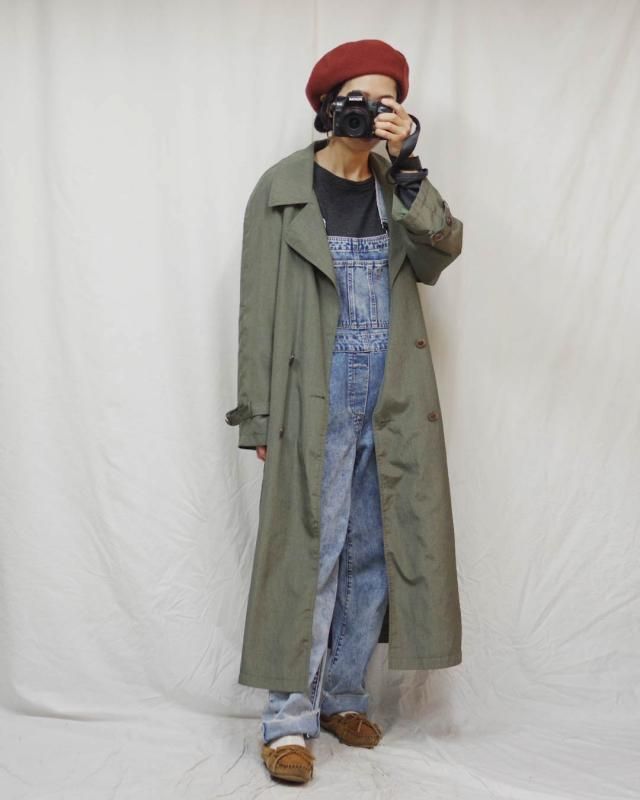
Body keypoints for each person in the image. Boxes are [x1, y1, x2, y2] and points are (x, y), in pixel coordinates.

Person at [225, 38, 464, 785]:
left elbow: (441, 252)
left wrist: (413, 171)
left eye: (387, 101)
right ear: (328, 107)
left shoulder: (401, 188)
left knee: (373, 551)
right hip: (312, 393)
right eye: (358, 98)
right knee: (313, 548)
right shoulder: (281, 189)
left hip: (391, 394)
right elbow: (258, 309)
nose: (371, 112)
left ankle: (344, 696)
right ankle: (286, 721)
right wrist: (258, 415)